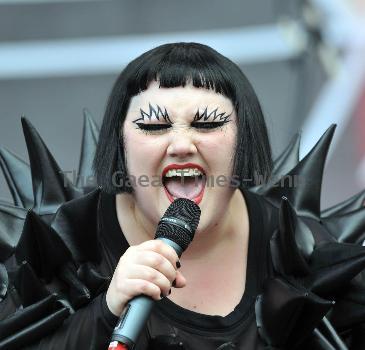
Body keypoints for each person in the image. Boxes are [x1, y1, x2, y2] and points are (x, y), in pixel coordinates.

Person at [1, 42, 365, 350]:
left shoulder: (308, 254)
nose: (180, 144)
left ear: (244, 141)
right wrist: (104, 312)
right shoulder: (49, 252)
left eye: (207, 124)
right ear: (120, 145)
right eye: (155, 126)